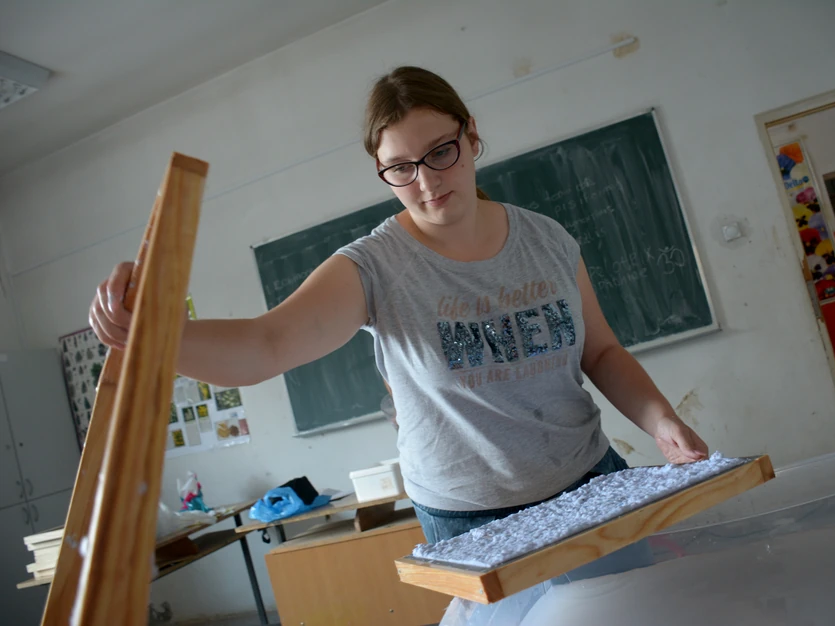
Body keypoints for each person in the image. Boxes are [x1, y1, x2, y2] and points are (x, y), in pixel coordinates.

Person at [90, 66, 708, 545]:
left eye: (441, 152)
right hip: (473, 520)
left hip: (591, 482)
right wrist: (154, 332)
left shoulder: (547, 239)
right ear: (381, 171)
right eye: (400, 168)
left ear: (471, 135)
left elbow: (601, 351)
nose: (427, 181)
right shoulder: (375, 267)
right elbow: (266, 345)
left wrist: (660, 420)